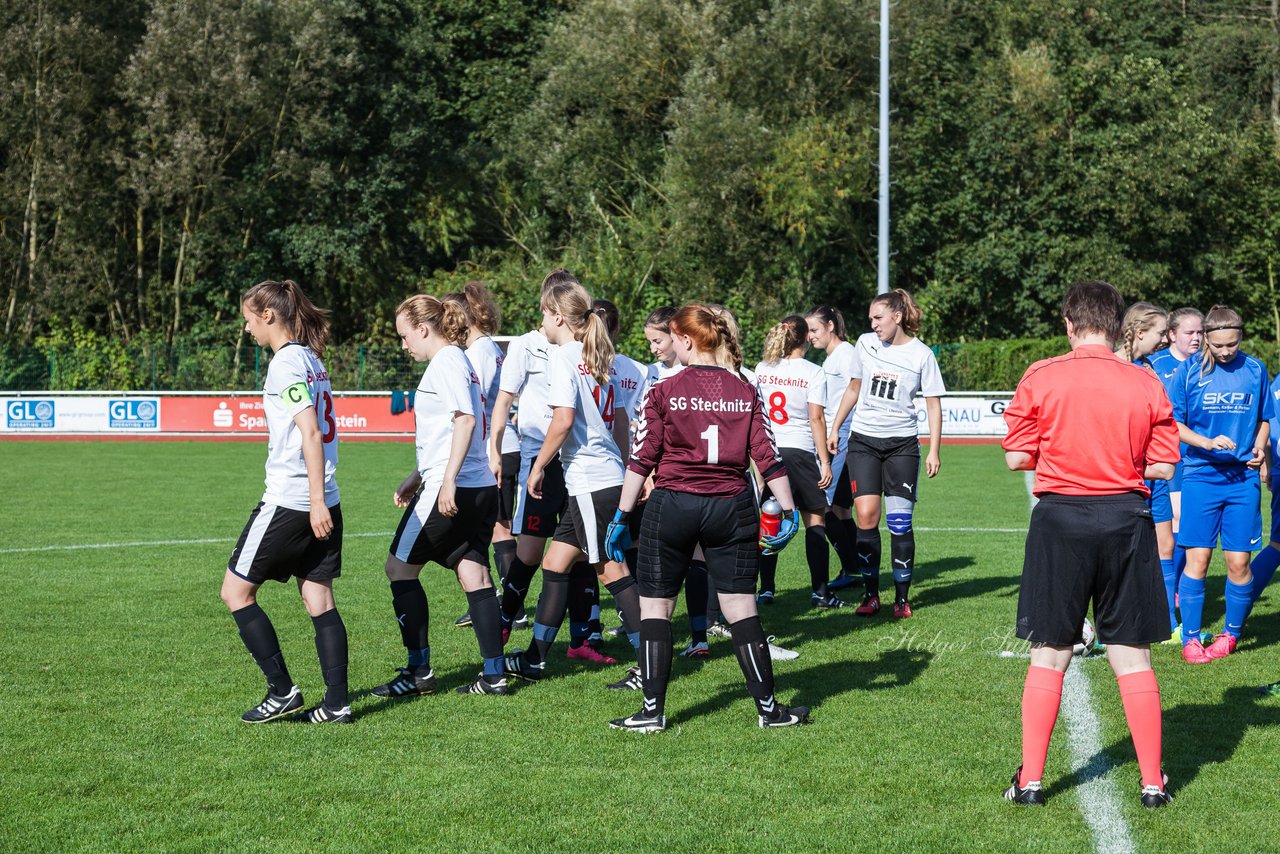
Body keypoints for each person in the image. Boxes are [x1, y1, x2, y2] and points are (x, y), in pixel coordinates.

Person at [1001, 279, 1178, 808]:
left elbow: (1016, 457)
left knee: (1050, 651)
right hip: (1126, 517)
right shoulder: (1144, 382)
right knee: (1133, 656)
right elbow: (1165, 463)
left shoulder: (1042, 374)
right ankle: (1152, 784)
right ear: (1118, 323)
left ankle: (1030, 781)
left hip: (1060, 519)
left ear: (1069, 323)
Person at [604, 302, 809, 732]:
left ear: (686, 340)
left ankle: (651, 713)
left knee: (657, 607)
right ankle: (770, 711)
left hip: (673, 504)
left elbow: (641, 459)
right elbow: (767, 458)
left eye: (674, 338)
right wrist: (788, 509)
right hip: (731, 506)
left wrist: (621, 515)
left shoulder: (661, 390)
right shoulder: (745, 388)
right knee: (740, 607)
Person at [501, 279, 645, 689]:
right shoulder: (597, 353)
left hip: (588, 479)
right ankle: (534, 658)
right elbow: (617, 420)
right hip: (603, 477)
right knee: (555, 563)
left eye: (545, 312)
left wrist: (537, 466)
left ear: (559, 317)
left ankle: (648, 660)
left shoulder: (564, 357)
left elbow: (562, 421)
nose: (541, 320)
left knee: (611, 570)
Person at [221, 279, 349, 724]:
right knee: (319, 599)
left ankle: (282, 691)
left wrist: (313, 500)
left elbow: (311, 431)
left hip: (294, 500)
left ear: (268, 316)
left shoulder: (285, 364)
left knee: (235, 592)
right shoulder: (311, 359)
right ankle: (337, 704)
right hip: (322, 498)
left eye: (248, 320)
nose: (246, 329)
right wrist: (322, 500)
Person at [371, 294, 507, 698]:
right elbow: (450, 429)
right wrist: (418, 474)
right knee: (474, 572)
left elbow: (465, 421)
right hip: (479, 485)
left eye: (404, 335)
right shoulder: (459, 361)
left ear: (423, 329)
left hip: (455, 486)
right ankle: (494, 675)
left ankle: (418, 673)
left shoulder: (446, 362)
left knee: (398, 570)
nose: (403, 344)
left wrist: (444, 481)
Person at [828, 289, 944, 618]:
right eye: (870, 320)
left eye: (878, 318)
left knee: (899, 521)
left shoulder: (922, 355)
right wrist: (836, 426)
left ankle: (902, 599)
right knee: (865, 517)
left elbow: (933, 404)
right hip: (864, 441)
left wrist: (934, 449)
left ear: (897, 317)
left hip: (902, 446)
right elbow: (854, 386)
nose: (873, 325)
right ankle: (871, 595)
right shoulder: (865, 344)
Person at [1169, 305, 1272, 663]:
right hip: (1201, 476)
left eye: (1233, 344)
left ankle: (1230, 635)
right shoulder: (1187, 372)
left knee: (1239, 563)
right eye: (1219, 345)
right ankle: (1191, 639)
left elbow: (1263, 419)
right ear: (1207, 339)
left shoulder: (1256, 369)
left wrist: (1259, 447)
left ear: (1240, 337)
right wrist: (1206, 443)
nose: (1227, 351)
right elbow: (1175, 425)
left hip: (1243, 480)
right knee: (1197, 559)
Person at [488, 270, 577, 645]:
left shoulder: (579, 345)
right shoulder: (525, 346)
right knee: (530, 550)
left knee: (579, 553)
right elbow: (503, 400)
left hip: (574, 459)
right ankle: (506, 617)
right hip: (538, 459)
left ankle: (583, 637)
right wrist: (494, 449)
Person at [443, 281, 514, 630]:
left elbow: (476, 403)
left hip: (494, 449)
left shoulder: (480, 352)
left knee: (499, 531)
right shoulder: (485, 348)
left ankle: (509, 605)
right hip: (493, 448)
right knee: (494, 530)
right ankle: (495, 601)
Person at [753, 315, 832, 605]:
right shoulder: (813, 371)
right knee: (815, 521)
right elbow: (815, 418)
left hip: (768, 452)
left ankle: (767, 589)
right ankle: (820, 592)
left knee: (770, 520)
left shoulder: (762, 369)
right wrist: (824, 461)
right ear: (803, 339)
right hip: (799, 451)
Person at [1118, 303, 1182, 639]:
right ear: (1140, 331)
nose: (1163, 340)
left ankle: (1167, 621)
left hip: (1153, 474)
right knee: (1120, 551)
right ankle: (1111, 624)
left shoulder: (1148, 369)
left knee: (1165, 545)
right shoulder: (1110, 367)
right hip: (1121, 477)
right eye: (1159, 332)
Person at [1146, 307, 1204, 629]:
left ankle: (1176, 588)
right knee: (1171, 525)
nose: (1196, 339)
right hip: (1167, 459)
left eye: (1200, 333)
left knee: (1187, 523)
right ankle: (1169, 592)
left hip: (1195, 458)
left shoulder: (1204, 367)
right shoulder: (1155, 366)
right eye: (1189, 333)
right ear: (1171, 335)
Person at [805, 305, 860, 598]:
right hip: (836, 436)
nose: (810, 336)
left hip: (842, 437)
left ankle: (852, 566)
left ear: (829, 326)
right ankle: (853, 567)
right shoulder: (832, 358)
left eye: (814, 330)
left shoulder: (846, 353)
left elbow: (856, 386)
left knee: (823, 504)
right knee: (839, 507)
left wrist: (836, 428)